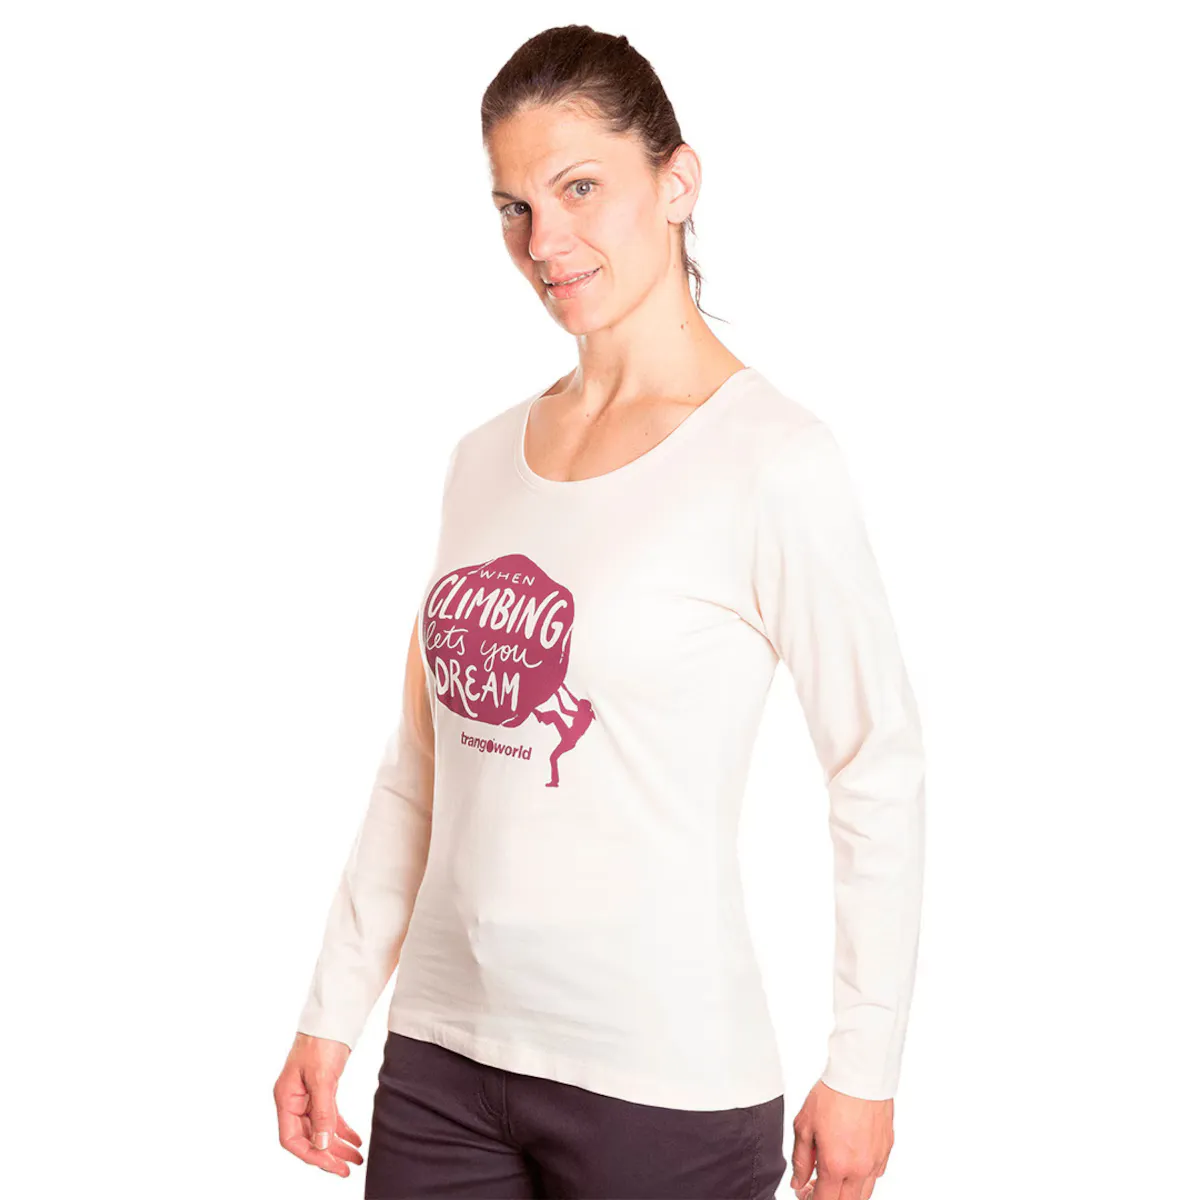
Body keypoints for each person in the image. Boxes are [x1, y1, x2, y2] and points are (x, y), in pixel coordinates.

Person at [274, 23, 925, 1200]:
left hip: (661, 1086)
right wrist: (334, 1008)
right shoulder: (482, 461)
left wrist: (865, 1068)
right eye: (514, 206)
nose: (544, 242)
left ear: (677, 183)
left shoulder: (772, 460)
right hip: (441, 1063)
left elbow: (875, 766)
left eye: (580, 188)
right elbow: (422, 764)